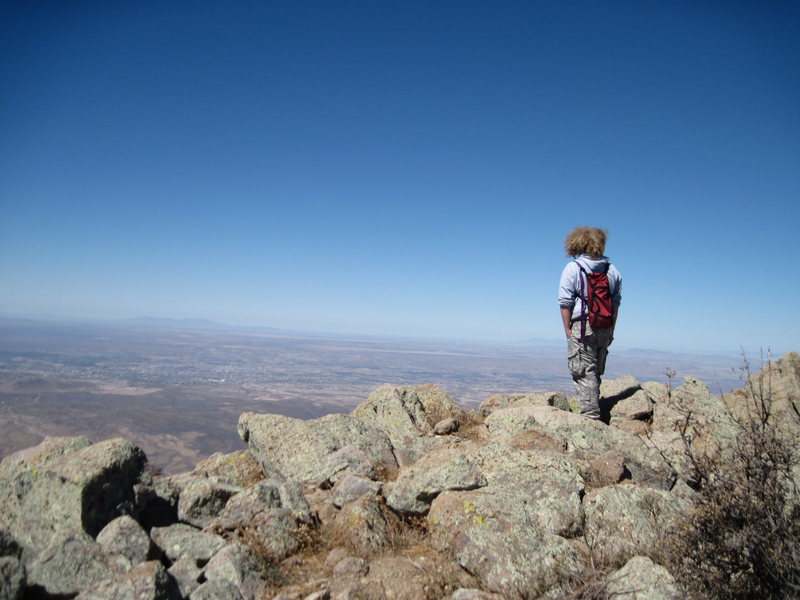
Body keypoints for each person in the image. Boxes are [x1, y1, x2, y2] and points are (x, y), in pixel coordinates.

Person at [558, 226, 622, 420]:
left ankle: (590, 419)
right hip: (605, 326)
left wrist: (568, 329)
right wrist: (611, 329)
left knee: (584, 373)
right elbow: (616, 303)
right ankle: (595, 413)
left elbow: (565, 302)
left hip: (582, 326)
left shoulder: (574, 268)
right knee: (595, 371)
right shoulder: (612, 270)